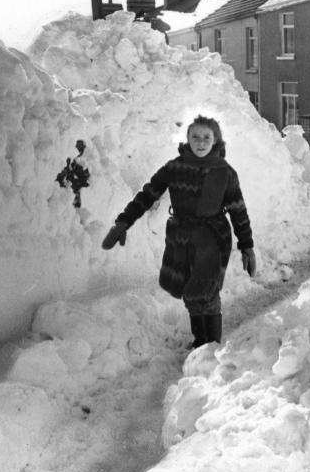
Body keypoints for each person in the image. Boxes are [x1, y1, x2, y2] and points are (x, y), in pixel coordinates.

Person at [101, 115, 255, 348]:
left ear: (215, 140)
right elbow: (147, 195)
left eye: (206, 137)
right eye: (195, 136)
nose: (200, 142)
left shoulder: (224, 172)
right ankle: (200, 341)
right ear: (187, 138)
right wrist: (124, 222)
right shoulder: (174, 168)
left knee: (204, 290)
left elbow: (238, 210)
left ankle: (211, 344)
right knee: (189, 291)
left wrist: (247, 245)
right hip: (181, 238)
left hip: (213, 238)